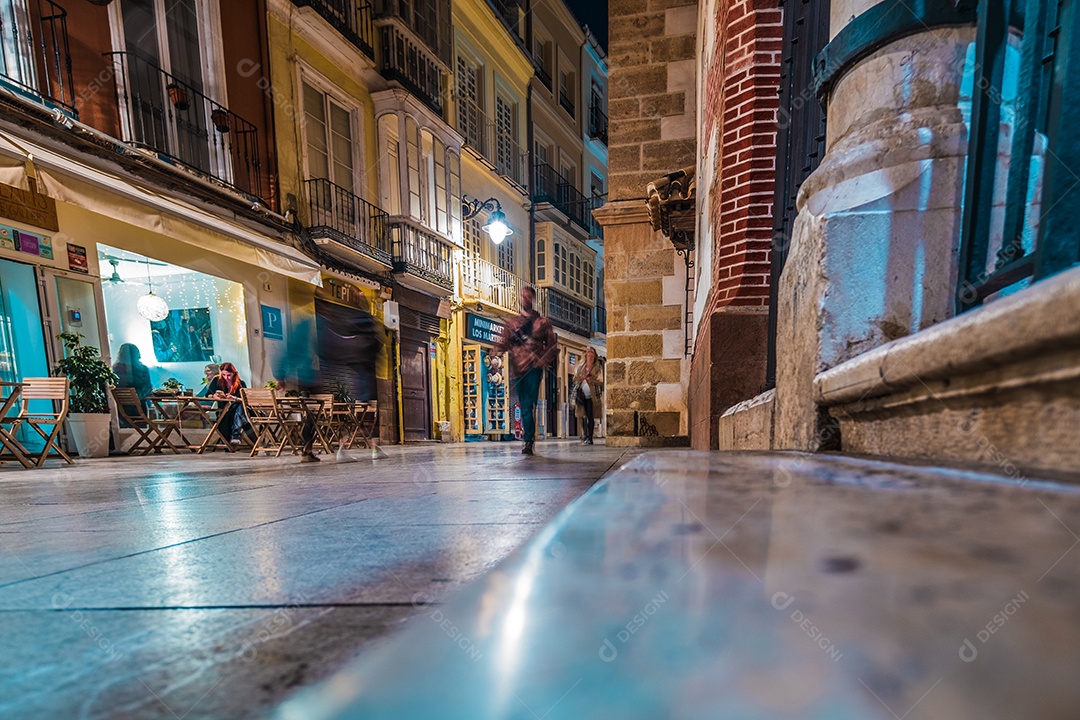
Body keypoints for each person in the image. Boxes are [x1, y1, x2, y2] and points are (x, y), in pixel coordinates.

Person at [495, 286, 557, 456]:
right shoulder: (513, 323)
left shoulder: (542, 323)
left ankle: (528, 440)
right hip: (517, 369)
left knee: (528, 405)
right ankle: (528, 438)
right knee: (524, 406)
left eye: (529, 297)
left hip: (533, 369)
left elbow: (552, 346)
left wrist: (542, 360)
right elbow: (503, 342)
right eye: (523, 296)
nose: (526, 299)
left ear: (533, 299)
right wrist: (496, 351)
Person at [204, 362, 249, 443]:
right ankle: (237, 435)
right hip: (224, 409)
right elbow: (208, 395)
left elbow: (245, 399)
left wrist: (233, 398)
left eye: (229, 375)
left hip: (236, 409)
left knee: (239, 407)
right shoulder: (217, 380)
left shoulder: (240, 384)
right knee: (244, 418)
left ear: (234, 374)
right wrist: (215, 396)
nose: (226, 378)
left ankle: (235, 436)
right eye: (224, 375)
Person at [573, 347, 604, 445]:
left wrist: (591, 379)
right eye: (588, 355)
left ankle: (590, 438)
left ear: (594, 357)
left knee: (590, 416)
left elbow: (601, 381)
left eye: (592, 355)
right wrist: (581, 378)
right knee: (581, 416)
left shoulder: (598, 367)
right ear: (586, 356)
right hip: (581, 394)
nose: (590, 357)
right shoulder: (580, 366)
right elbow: (574, 378)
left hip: (592, 396)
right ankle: (585, 434)